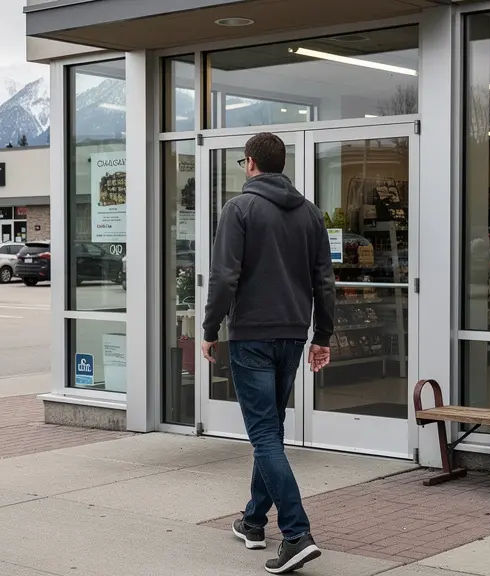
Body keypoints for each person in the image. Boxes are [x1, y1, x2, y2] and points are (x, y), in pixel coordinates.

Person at [200, 132, 335, 574]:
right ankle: (254, 522)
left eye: (243, 162)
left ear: (252, 163)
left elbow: (224, 277)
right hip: (293, 336)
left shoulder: (239, 209)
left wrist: (209, 327)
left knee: (263, 435)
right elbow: (324, 282)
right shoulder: (311, 214)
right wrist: (323, 336)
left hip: (252, 336)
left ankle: (296, 534)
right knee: (270, 430)